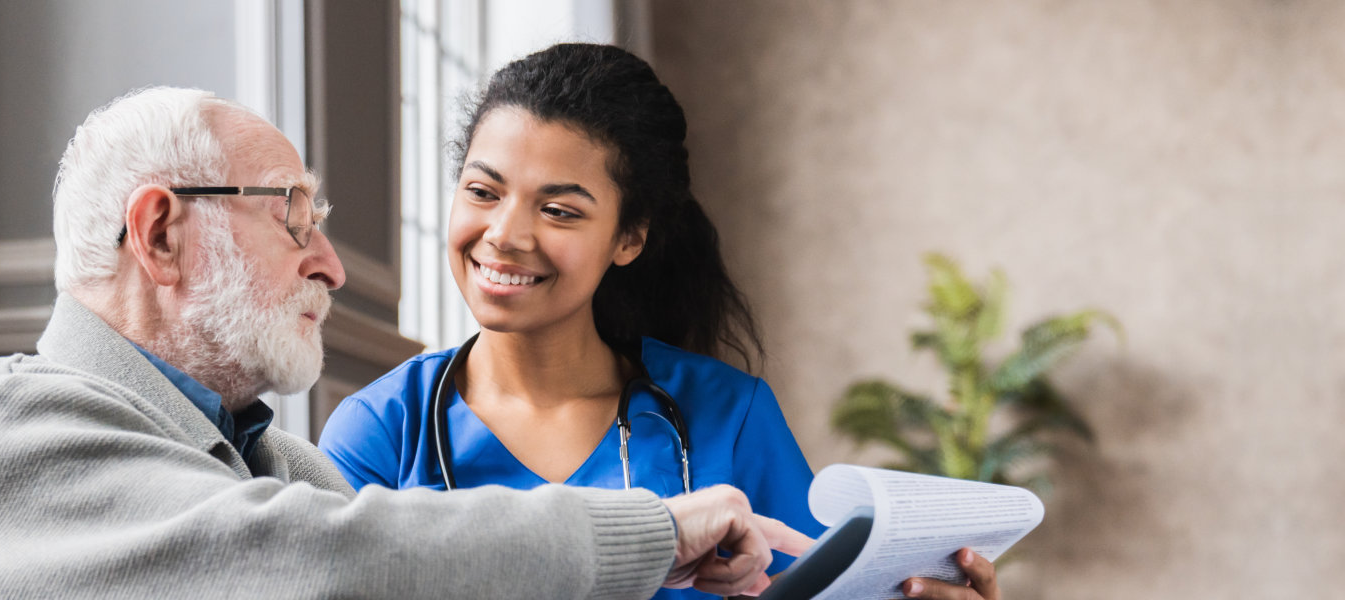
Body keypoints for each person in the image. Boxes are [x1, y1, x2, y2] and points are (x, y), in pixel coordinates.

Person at [0, 85, 816, 600]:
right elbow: (323, 562)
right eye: (294, 217)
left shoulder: (272, 462)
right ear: (161, 234)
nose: (332, 266)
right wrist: (656, 529)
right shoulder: (13, 426)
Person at [316, 44, 1003, 600]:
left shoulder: (725, 415)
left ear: (629, 238)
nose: (504, 234)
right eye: (483, 191)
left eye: (559, 210)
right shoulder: (381, 430)